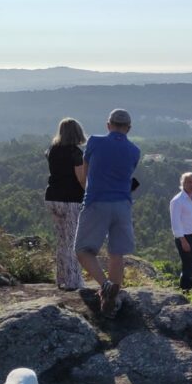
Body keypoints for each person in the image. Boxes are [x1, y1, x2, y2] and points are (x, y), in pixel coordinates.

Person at [75, 108, 141, 315]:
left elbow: (85, 176)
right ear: (128, 129)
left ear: (108, 124)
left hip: (97, 201)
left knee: (83, 250)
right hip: (123, 204)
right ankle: (111, 303)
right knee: (116, 253)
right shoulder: (134, 151)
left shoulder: (94, 141)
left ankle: (105, 286)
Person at [45, 117, 87, 290]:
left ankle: (61, 278)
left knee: (62, 240)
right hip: (71, 200)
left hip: (52, 197)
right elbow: (81, 180)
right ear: (77, 133)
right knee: (72, 242)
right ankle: (73, 282)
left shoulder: (51, 150)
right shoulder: (75, 153)